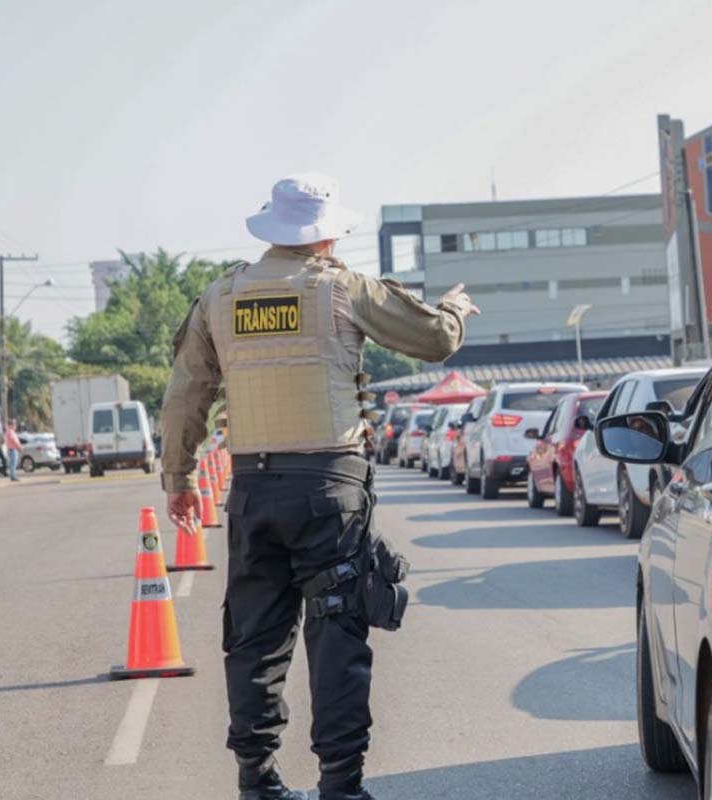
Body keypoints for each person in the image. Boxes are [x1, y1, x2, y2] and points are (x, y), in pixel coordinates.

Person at [161, 173, 478, 800]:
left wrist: (180, 478)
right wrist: (455, 310)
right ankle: (340, 783)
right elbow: (435, 339)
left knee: (253, 638)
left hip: (252, 489)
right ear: (327, 233)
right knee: (336, 635)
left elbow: (185, 395)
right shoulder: (343, 289)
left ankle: (257, 780)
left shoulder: (219, 297)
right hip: (329, 491)